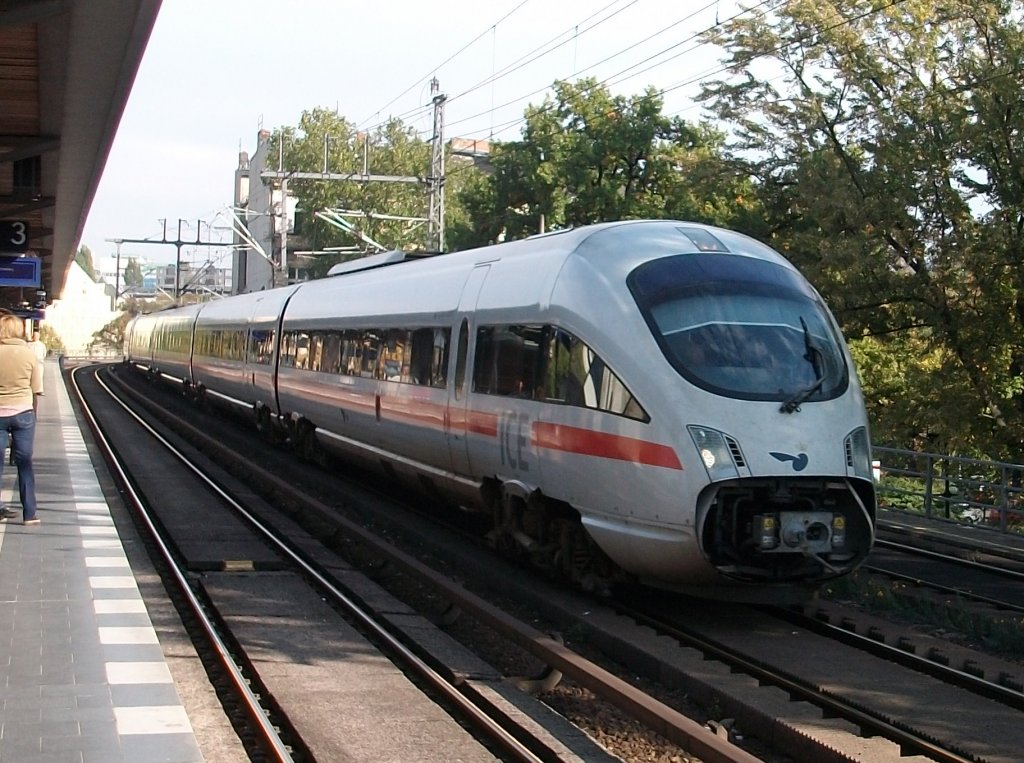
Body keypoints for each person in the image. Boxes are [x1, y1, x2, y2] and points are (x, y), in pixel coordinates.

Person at [0, 314, 42, 525]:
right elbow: (37, 388)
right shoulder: (29, 355)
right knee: (24, 463)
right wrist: (34, 414)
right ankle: (30, 513)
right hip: (23, 413)